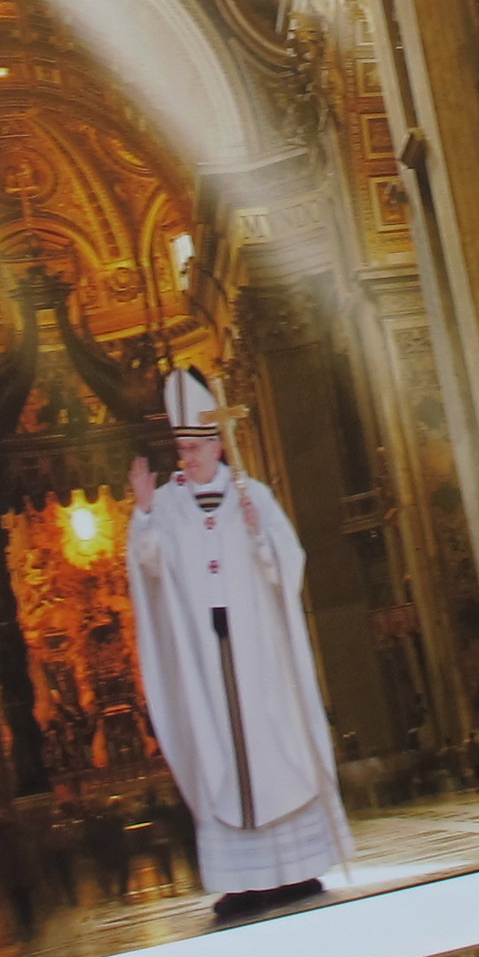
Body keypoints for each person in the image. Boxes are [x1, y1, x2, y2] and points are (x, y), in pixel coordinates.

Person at [126, 367, 350, 926]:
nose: (188, 459)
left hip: (256, 652)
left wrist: (255, 533)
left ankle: (299, 866)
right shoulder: (171, 504)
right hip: (206, 656)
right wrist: (144, 513)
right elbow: (151, 567)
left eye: (196, 448)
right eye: (181, 449)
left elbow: (285, 567)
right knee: (219, 754)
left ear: (218, 444)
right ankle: (240, 882)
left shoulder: (255, 495)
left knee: (274, 749)